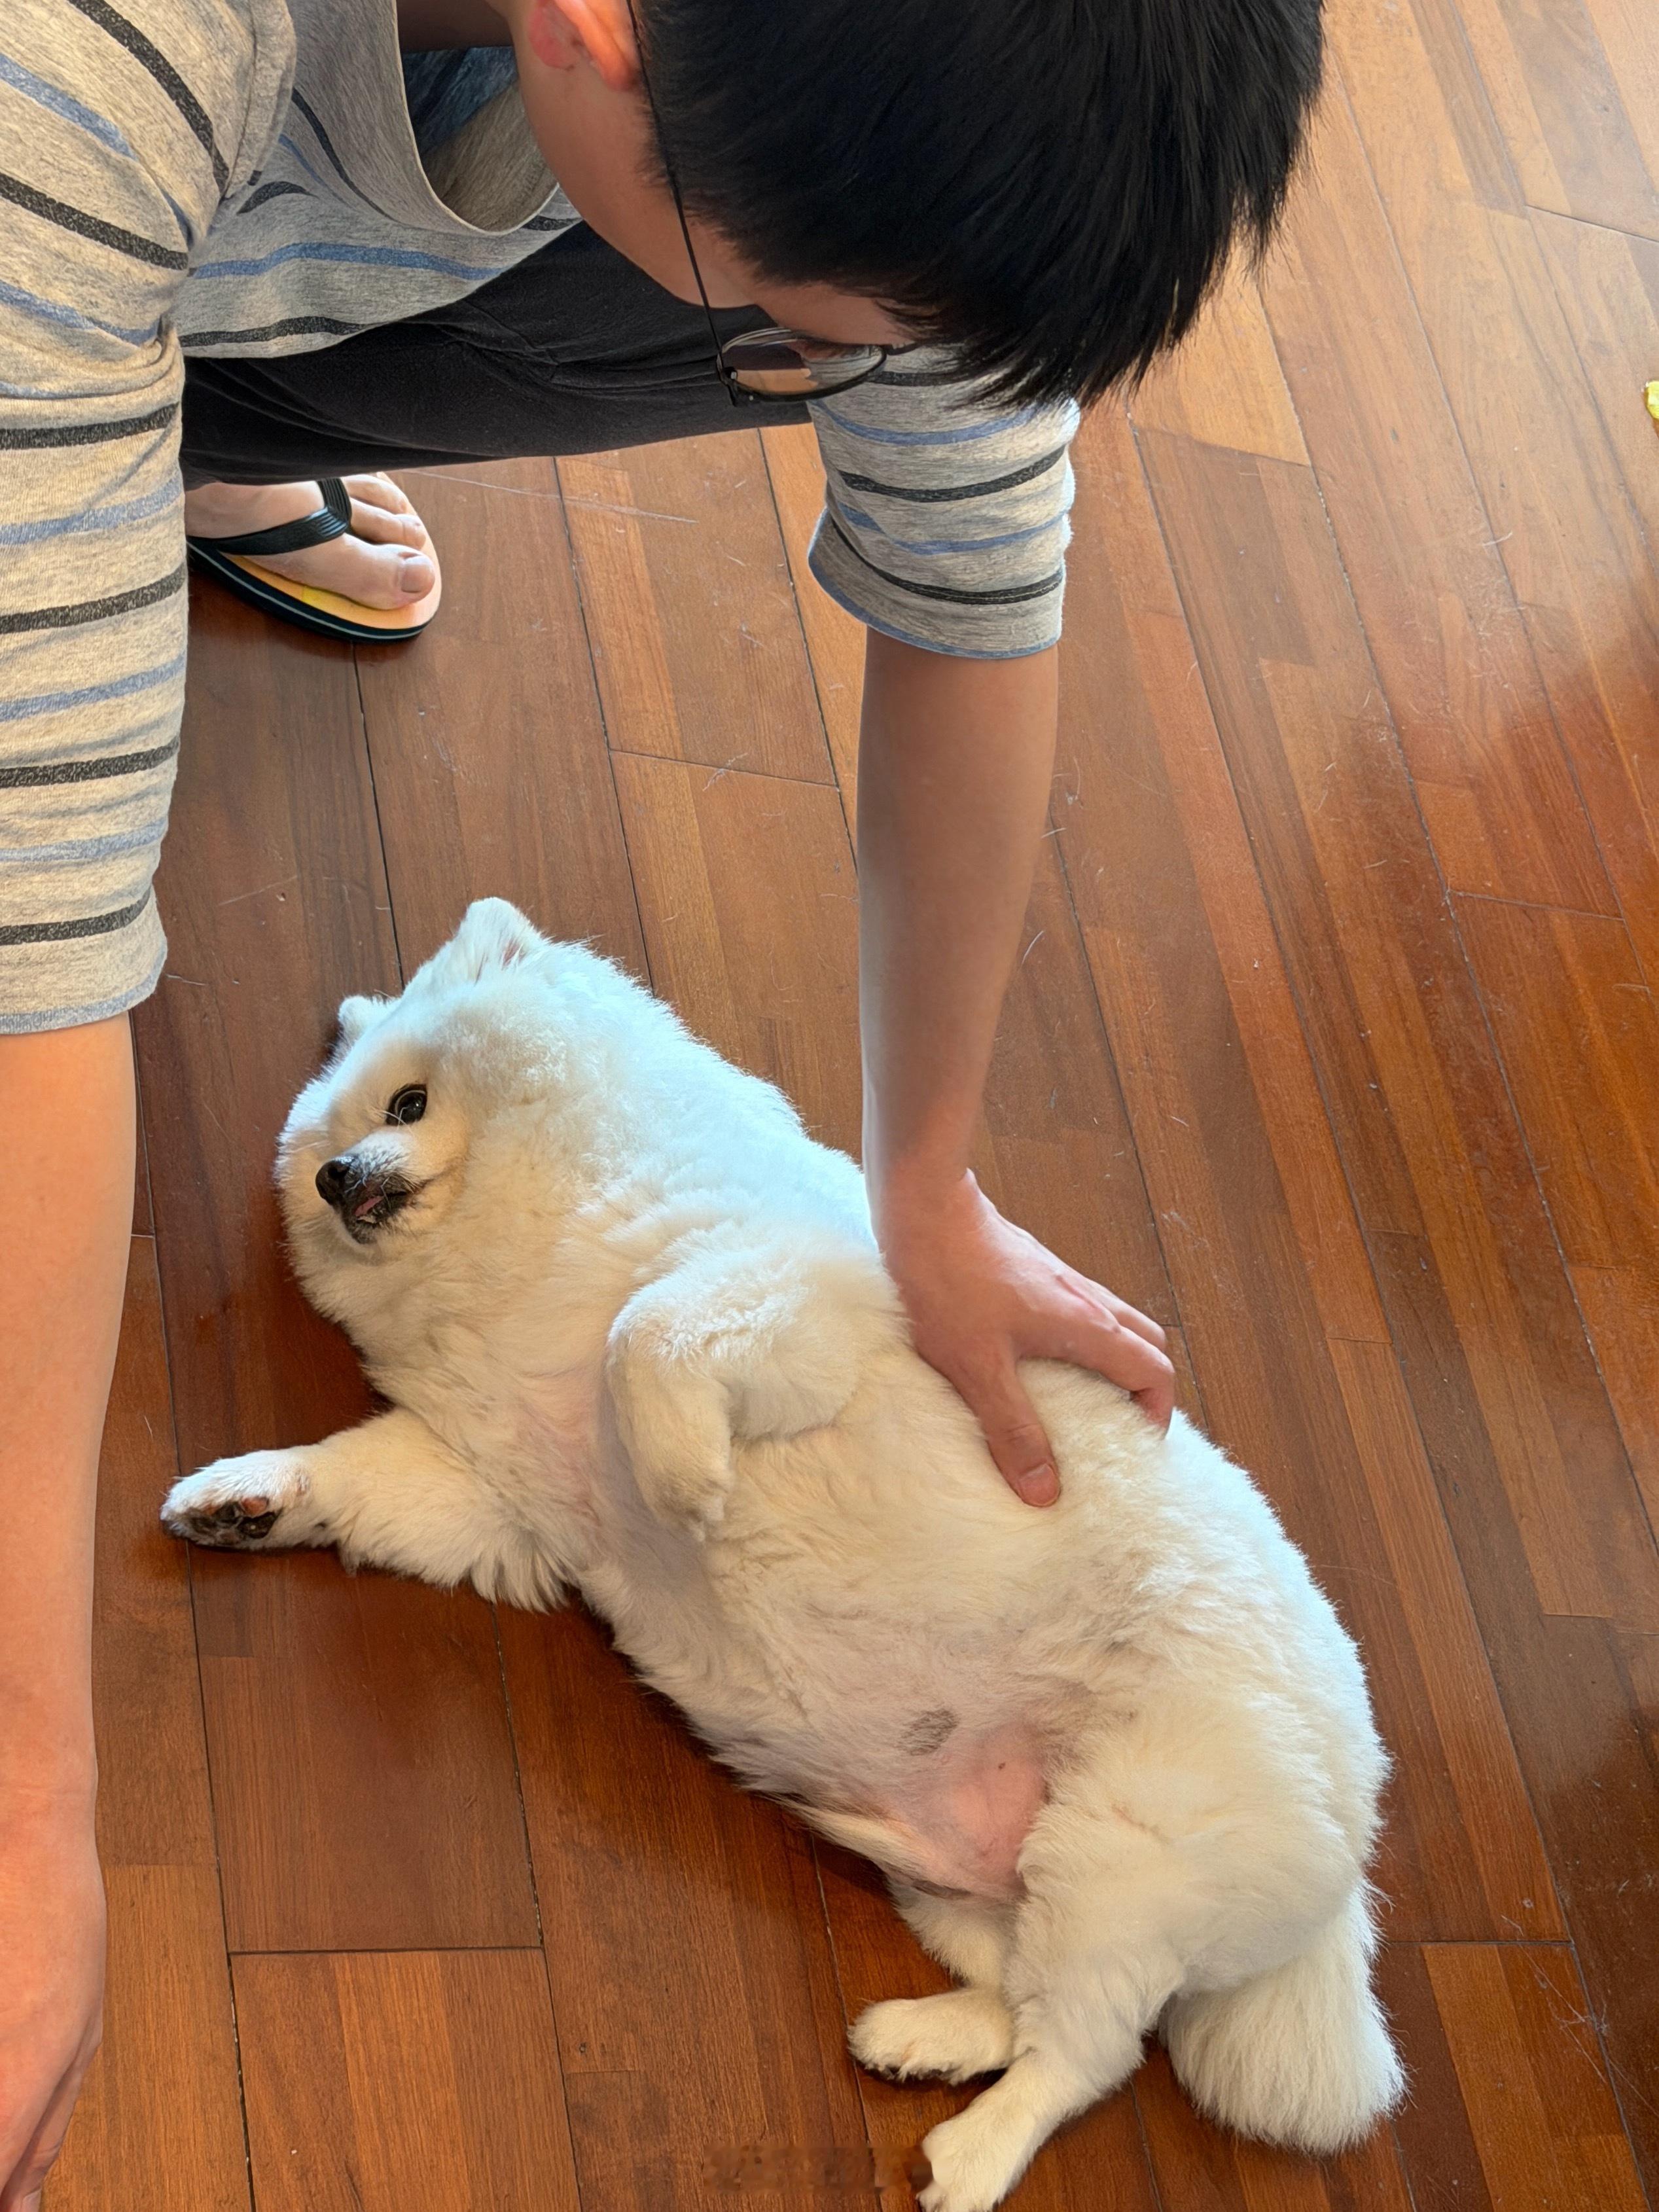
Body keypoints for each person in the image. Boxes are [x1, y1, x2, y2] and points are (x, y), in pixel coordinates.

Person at [0, 0, 1320, 2197]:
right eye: (842, 332)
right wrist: (30, 1797)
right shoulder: (87, 59)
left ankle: (177, 420)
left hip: (327, 178)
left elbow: (977, 581)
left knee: (811, 298)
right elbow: (35, 940)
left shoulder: (879, 94)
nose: (886, 381)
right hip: (85, 167)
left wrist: (924, 1178)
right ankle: (92, 407)